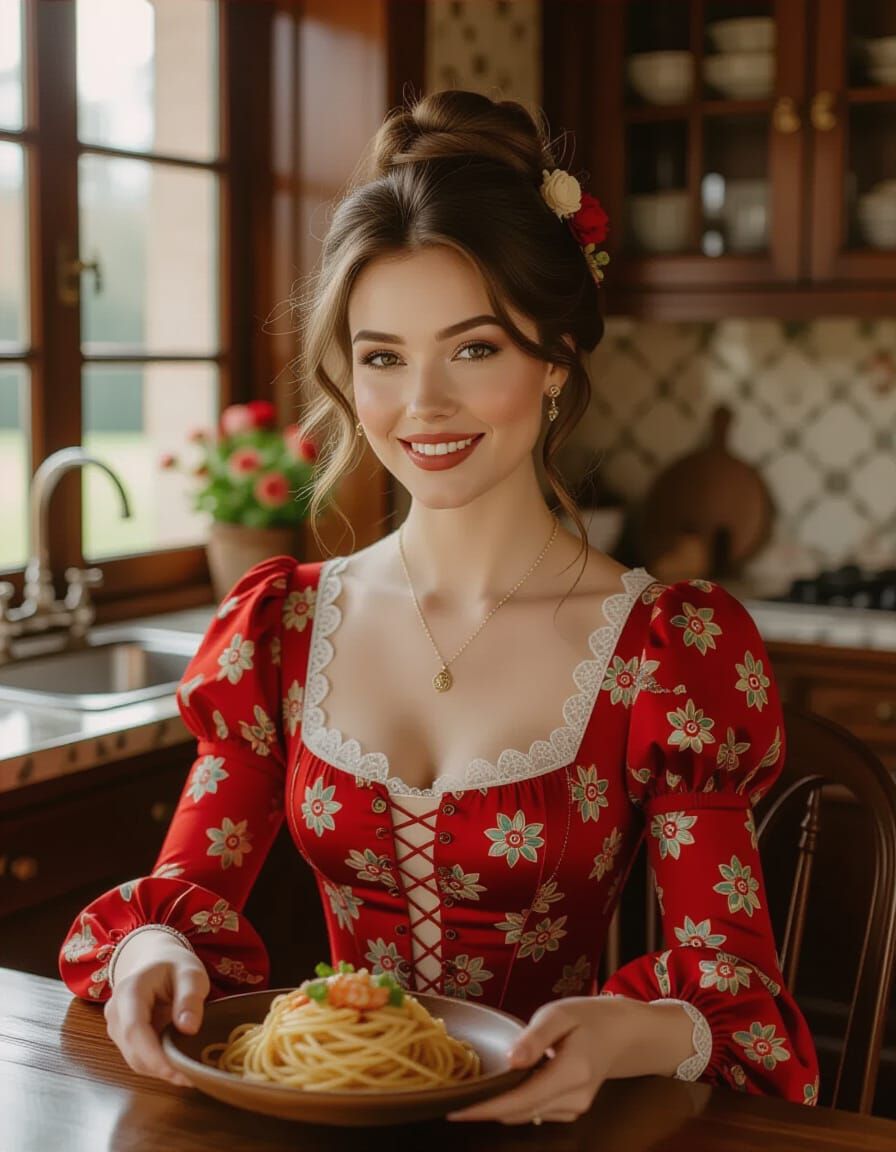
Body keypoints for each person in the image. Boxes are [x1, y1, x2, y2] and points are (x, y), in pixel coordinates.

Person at [59, 89, 819, 1124]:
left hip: (558, 1131)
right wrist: (152, 949)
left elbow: (731, 989)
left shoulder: (665, 649)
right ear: (346, 375)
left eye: (473, 348)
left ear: (553, 358)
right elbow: (184, 891)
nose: (422, 404)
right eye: (382, 357)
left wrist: (620, 1031)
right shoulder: (280, 631)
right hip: (317, 1119)